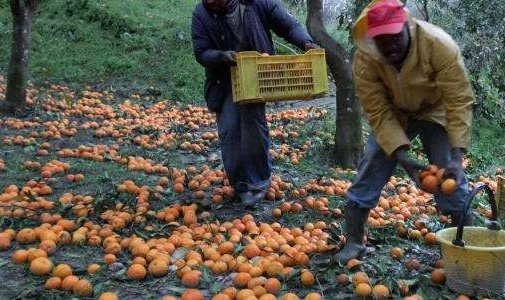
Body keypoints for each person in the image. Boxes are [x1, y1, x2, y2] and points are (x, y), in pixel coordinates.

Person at [333, 0, 475, 264]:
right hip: (394, 113)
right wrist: (403, 159)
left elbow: (458, 100)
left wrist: (457, 157)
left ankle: (463, 241)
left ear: (407, 27)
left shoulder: (438, 45)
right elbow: (377, 110)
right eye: (381, 40)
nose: (389, 46)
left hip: (435, 109)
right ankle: (353, 242)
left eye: (395, 37)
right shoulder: (365, 59)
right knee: (372, 166)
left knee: (448, 173)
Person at [191, 0, 319, 207]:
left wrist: (305, 42)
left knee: (253, 128)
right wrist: (222, 56)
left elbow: (287, 25)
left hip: (255, 77)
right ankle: (240, 183)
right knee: (230, 130)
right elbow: (201, 51)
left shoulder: (257, 3)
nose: (212, 2)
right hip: (224, 81)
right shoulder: (202, 13)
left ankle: (258, 182)